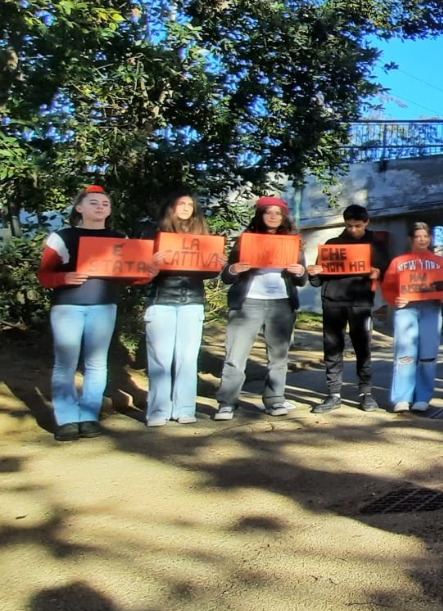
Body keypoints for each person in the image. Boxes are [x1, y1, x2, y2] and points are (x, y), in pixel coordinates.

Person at [39, 186, 131, 441]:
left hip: (104, 306)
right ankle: (67, 420)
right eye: (94, 202)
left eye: (105, 203)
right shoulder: (61, 237)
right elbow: (44, 275)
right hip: (67, 306)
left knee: (97, 364)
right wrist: (64, 277)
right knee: (65, 364)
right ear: (79, 207)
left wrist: (151, 268)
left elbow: (132, 277)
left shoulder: (120, 238)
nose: (100, 206)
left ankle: (89, 416)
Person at [216, 196, 307, 421]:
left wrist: (300, 272)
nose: (273, 216)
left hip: (282, 304)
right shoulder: (245, 240)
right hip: (248, 303)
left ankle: (275, 400)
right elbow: (227, 276)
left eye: (278, 213)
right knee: (235, 355)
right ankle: (227, 403)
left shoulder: (294, 242)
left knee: (278, 356)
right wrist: (234, 268)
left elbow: (302, 279)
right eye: (268, 212)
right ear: (260, 215)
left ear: (284, 216)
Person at [142, 190, 220, 428]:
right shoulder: (152, 234)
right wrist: (152, 263)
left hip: (192, 302)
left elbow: (210, 272)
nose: (186, 208)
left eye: (190, 205)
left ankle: (185, 408)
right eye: (181, 203)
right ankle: (157, 410)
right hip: (160, 301)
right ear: (171, 207)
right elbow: (138, 273)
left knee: (187, 359)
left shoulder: (203, 237)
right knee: (160, 360)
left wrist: (218, 263)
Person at [307, 204, 389, 414]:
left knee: (363, 348)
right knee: (332, 348)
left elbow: (388, 274)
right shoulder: (332, 245)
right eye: (349, 226)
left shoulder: (376, 245)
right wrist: (314, 273)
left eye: (358, 226)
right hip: (332, 302)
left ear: (367, 222)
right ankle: (333, 394)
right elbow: (317, 281)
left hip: (361, 303)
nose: (353, 230)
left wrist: (378, 273)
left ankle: (366, 393)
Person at [383, 222, 443, 413]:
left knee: (428, 354)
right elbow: (388, 286)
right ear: (411, 239)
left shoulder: (440, 262)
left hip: (431, 309)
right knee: (405, 354)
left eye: (426, 236)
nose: (422, 239)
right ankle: (402, 397)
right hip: (406, 309)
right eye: (418, 236)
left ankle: (423, 396)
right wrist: (394, 299)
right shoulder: (399, 262)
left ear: (430, 238)